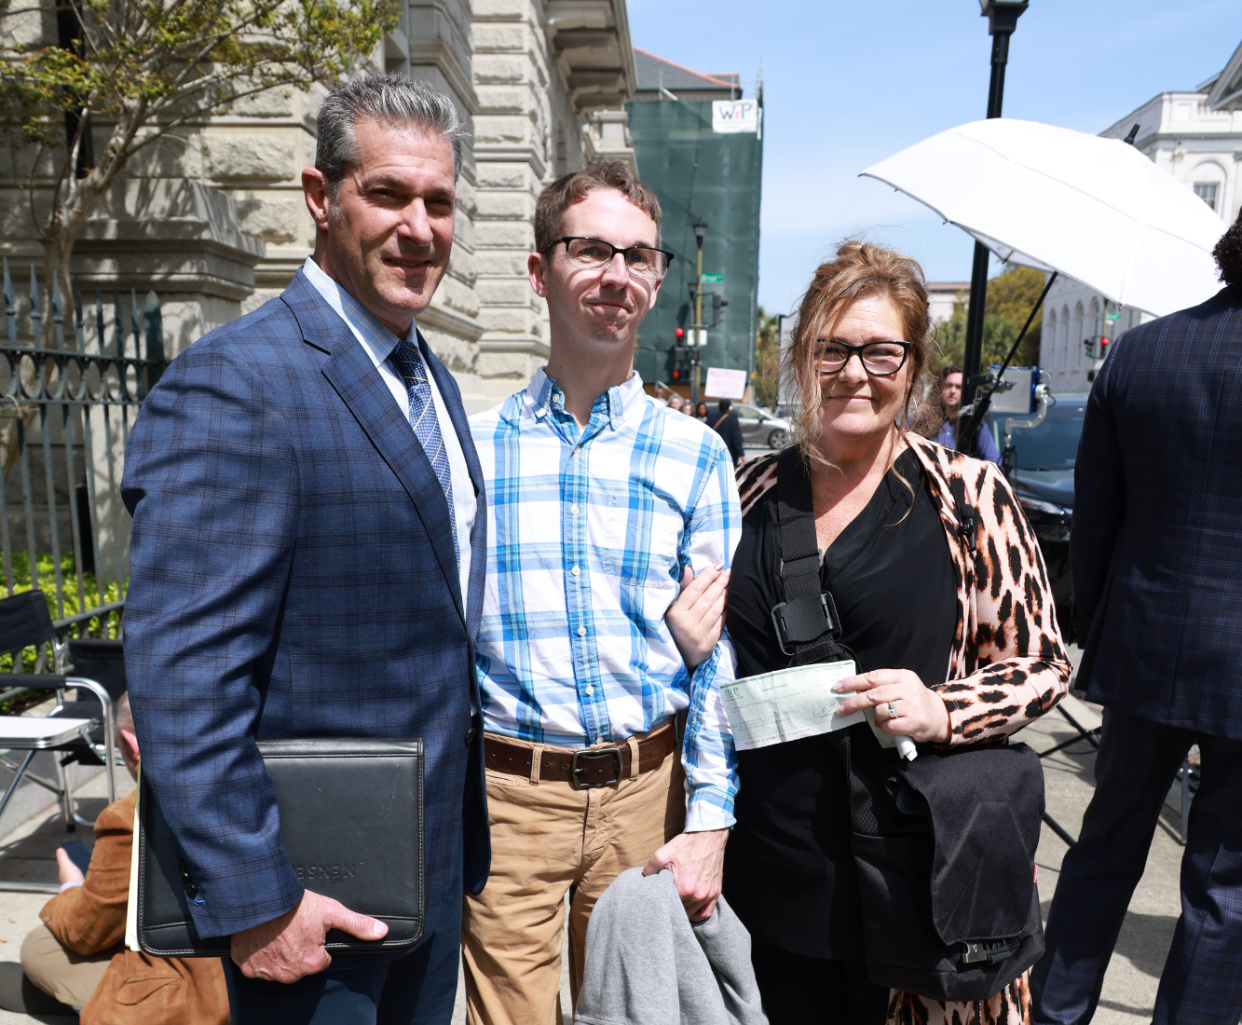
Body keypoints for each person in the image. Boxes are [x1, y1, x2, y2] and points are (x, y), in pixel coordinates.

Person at [121, 74, 488, 1025]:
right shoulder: (238, 384)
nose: (420, 227)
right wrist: (257, 899)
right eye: (389, 194)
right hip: (305, 903)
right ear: (321, 198)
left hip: (425, 877)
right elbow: (185, 674)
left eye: (439, 202)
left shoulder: (431, 382)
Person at [723, 241, 1071, 1025]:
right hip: (768, 875)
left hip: (917, 875)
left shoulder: (967, 496)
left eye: (880, 350)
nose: (854, 372)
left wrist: (944, 708)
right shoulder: (744, 492)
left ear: (913, 365)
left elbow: (1042, 661)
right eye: (832, 349)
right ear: (804, 357)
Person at [464, 158, 741, 1025]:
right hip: (509, 800)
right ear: (541, 270)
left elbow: (716, 658)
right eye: (592, 250)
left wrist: (711, 817)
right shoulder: (470, 452)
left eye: (639, 257)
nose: (617, 275)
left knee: (639, 1012)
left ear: (657, 280)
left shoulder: (697, 455)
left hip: (644, 798)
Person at [1031, 212, 1242, 1025]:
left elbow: (1097, 519)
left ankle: (1055, 1013)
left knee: (1106, 841)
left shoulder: (1141, 354)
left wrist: (1100, 621)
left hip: (1147, 644)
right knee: (1224, 882)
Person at [0, 695, 230, 1024]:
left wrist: (70, 886)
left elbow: (86, 931)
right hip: (289, 975)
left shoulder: (130, 816)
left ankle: (103, 1004)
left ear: (131, 743)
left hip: (205, 998)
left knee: (40, 946)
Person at [936, 364, 1000, 463]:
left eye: (958, 387)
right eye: (948, 385)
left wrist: (972, 465)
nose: (953, 391)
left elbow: (994, 462)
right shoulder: (925, 422)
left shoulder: (976, 426)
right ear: (940, 388)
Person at [711, 398, 746, 465]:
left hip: (714, 453)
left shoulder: (710, 418)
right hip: (729, 454)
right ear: (728, 408)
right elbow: (736, 439)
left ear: (719, 407)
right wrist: (742, 454)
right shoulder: (733, 420)